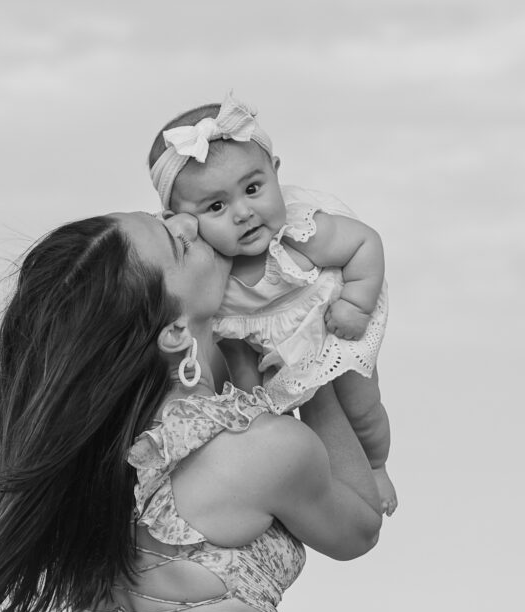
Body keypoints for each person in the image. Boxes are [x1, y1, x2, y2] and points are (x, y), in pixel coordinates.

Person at [0, 211, 383, 612]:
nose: (188, 221)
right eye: (178, 243)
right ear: (174, 333)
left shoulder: (79, 476)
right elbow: (361, 527)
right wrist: (312, 368)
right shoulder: (256, 450)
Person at [148, 93, 397, 515]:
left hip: (332, 328)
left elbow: (365, 243)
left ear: (276, 174)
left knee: (362, 406)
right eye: (216, 206)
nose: (243, 213)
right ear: (181, 219)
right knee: (272, 417)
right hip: (271, 351)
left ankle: (375, 464)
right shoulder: (209, 270)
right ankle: (299, 482)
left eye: (253, 188)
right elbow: (229, 339)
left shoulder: (301, 234)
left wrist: (355, 303)